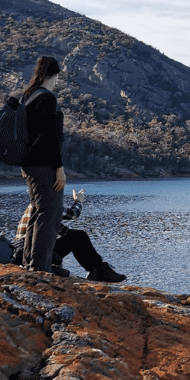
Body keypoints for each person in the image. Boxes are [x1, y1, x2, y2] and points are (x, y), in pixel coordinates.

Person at [14, 190, 126, 282]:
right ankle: (99, 271)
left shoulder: (41, 211)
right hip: (32, 252)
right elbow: (73, 214)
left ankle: (97, 270)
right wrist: (79, 200)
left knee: (78, 236)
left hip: (30, 252)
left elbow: (67, 233)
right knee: (79, 236)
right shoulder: (44, 203)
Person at [18, 55, 65, 273]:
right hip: (43, 165)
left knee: (38, 213)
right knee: (50, 215)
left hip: (27, 165)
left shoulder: (27, 96)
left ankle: (29, 265)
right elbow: (50, 137)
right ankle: (40, 269)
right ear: (54, 75)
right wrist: (60, 168)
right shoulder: (47, 98)